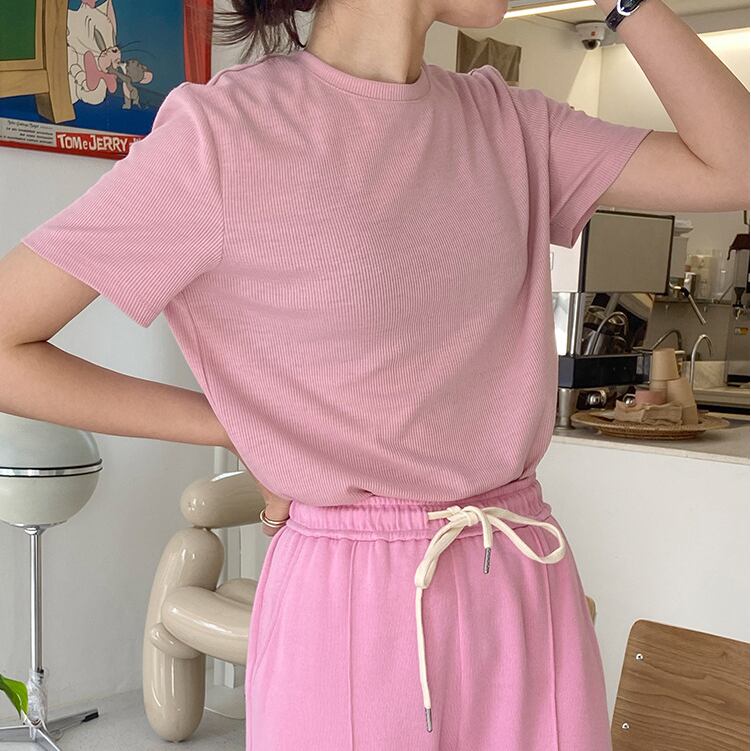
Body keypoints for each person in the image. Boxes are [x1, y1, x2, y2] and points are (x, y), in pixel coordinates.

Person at [0, 0, 747, 748]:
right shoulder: (223, 137)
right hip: (348, 608)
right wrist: (235, 429)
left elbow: (735, 165)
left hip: (520, 578)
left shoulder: (512, 124)